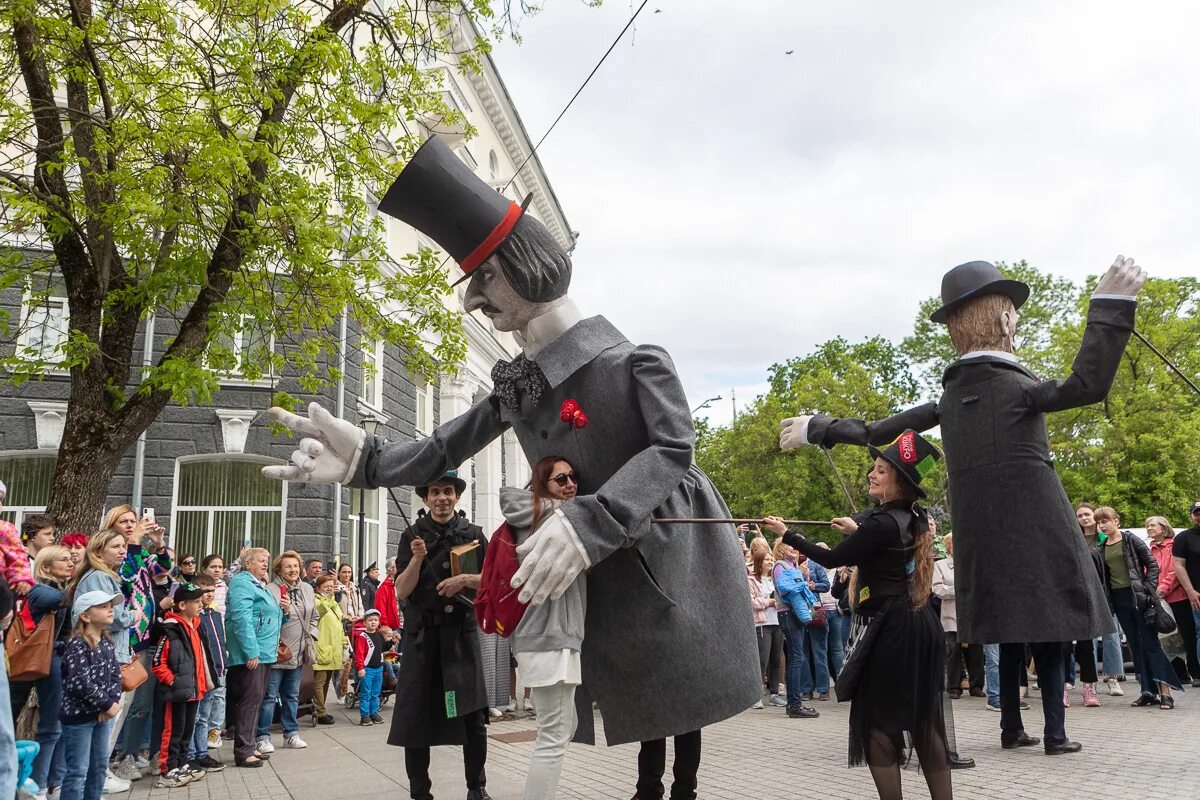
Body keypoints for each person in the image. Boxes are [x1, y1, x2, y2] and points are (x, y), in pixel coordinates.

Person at [261, 136, 760, 798]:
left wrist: (592, 519)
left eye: (485, 279)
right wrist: (368, 462)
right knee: (644, 712)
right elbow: (444, 446)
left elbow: (673, 450)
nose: (474, 302)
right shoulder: (521, 386)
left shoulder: (633, 362)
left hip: (671, 552)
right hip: (598, 570)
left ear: (529, 268)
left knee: (678, 699)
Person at [782, 260, 1149, 757]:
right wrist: (1110, 309)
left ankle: (1011, 727)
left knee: (1009, 633)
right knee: (1050, 635)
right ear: (1003, 322)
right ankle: (1056, 734)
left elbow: (874, 432)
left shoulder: (949, 400)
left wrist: (817, 427)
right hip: (1038, 526)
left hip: (982, 537)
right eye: (1013, 317)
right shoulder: (1020, 388)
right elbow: (1088, 384)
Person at [766, 430, 951, 800]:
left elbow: (834, 559)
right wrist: (858, 528)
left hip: (893, 629)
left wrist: (789, 534)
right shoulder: (913, 516)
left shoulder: (883, 523)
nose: (872, 473)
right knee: (923, 721)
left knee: (878, 724)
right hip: (919, 624)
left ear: (898, 481)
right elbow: (882, 540)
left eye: (881, 470)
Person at [390, 470, 490, 800]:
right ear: (425, 498)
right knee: (415, 719)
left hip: (461, 637)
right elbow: (402, 590)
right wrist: (417, 558)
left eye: (448, 491)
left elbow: (492, 582)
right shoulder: (411, 535)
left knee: (472, 717)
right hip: (423, 641)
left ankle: (476, 788)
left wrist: (465, 581)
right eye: (435, 492)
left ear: (457, 496)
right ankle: (420, 793)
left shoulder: (474, 534)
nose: (442, 497)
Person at [499, 455, 587, 800]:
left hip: (555, 636)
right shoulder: (551, 518)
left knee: (564, 727)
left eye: (573, 477)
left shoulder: (550, 515)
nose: (571, 485)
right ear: (542, 484)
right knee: (553, 734)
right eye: (561, 480)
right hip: (546, 635)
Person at [104, 504, 171, 780]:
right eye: (125, 521)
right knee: (127, 702)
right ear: (112, 524)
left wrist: (159, 544)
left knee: (142, 702)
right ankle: (121, 757)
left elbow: (163, 569)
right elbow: (128, 576)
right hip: (126, 639)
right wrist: (132, 543)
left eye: (134, 521)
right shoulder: (113, 552)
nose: (132, 525)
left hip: (145, 637)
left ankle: (134, 753)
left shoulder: (137, 551)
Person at [67, 530, 134, 793]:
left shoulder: (108, 577)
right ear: (97, 551)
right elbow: (82, 682)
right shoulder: (97, 577)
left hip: (113, 652)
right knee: (81, 765)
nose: (122, 551)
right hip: (83, 713)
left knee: (98, 751)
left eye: (124, 546)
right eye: (116, 546)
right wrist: (132, 616)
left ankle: (100, 776)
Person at [1095, 507, 1180, 709]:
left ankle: (1166, 692)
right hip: (1119, 600)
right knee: (1136, 645)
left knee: (1150, 643)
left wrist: (1147, 589)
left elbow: (1152, 565)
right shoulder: (1102, 547)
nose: (1102, 525)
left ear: (1116, 521)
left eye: (1105, 520)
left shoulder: (1131, 540)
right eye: (1099, 522)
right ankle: (1147, 691)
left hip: (1138, 597)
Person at [58, 590, 123, 800]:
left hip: (101, 716)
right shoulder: (77, 645)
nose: (110, 609)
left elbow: (115, 675)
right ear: (85, 616)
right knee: (77, 771)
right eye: (103, 607)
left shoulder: (106, 642)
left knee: (99, 766)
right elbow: (80, 683)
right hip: (79, 718)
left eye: (110, 605)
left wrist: (111, 701)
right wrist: (106, 704)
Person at [19, 545, 73, 797]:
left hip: (59, 660)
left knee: (61, 723)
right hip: (47, 660)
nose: (70, 562)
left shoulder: (58, 590)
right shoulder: (41, 591)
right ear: (46, 567)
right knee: (51, 725)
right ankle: (39, 785)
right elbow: (62, 601)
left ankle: (56, 781)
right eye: (64, 559)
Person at [150, 581, 214, 787]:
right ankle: (168, 769)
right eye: (195, 601)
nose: (200, 604)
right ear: (182, 605)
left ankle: (183, 763)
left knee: (187, 730)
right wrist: (173, 681)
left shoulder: (196, 626)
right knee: (173, 732)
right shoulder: (171, 629)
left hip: (194, 689)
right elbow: (158, 663)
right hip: (177, 690)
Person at [224, 547, 283, 768]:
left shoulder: (260, 585)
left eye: (266, 560)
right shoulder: (242, 583)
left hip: (264, 652)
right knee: (249, 702)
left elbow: (269, 617)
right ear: (248, 564)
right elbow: (241, 619)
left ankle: (248, 746)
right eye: (261, 560)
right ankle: (243, 751)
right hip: (252, 654)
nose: (265, 564)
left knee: (255, 701)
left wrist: (283, 613)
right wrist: (251, 651)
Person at [257, 550, 317, 753]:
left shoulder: (308, 588)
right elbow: (266, 619)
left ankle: (291, 733)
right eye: (288, 566)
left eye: (295, 566)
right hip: (278, 651)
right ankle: (262, 736)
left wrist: (312, 637)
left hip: (299, 651)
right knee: (269, 695)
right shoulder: (271, 589)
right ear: (279, 570)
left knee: (292, 695)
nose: (293, 570)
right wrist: (285, 610)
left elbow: (314, 615)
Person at [1077, 502, 1125, 693]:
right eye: (1079, 516)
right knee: (1086, 639)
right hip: (1083, 595)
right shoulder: (1075, 538)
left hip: (1106, 594)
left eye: (1087, 514)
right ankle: (1090, 681)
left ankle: (1113, 678)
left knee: (1111, 636)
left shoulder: (1105, 538)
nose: (1083, 518)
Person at [771, 538, 819, 720]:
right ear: (781, 549)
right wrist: (803, 584)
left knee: (797, 657)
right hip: (788, 613)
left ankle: (794, 703)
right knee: (797, 657)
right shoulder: (779, 566)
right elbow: (783, 588)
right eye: (791, 546)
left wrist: (805, 579)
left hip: (794, 614)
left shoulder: (794, 567)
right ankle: (795, 705)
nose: (795, 549)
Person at [1149, 514, 1199, 687]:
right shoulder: (1151, 548)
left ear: (1163, 528)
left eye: (1152, 525)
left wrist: (1163, 589)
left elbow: (1174, 571)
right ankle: (1180, 673)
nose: (1149, 528)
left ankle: (1195, 671)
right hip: (1160, 599)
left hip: (1178, 597)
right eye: (1147, 525)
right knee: (1169, 636)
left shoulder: (1173, 544)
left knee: (1188, 635)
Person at [932, 534, 984, 700]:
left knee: (976, 650)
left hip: (971, 615)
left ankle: (976, 686)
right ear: (949, 546)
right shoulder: (940, 565)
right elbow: (937, 589)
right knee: (953, 650)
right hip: (951, 616)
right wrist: (958, 591)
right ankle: (954, 687)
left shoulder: (972, 564)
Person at [188, 574, 226, 774]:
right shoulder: (194, 618)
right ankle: (191, 754)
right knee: (195, 717)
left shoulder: (215, 614)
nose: (209, 594)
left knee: (204, 716)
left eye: (212, 590)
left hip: (216, 671)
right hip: (200, 674)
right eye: (205, 591)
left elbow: (219, 644)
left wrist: (222, 665)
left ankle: (202, 753)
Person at [748, 539, 785, 708]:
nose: (771, 562)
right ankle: (755, 695)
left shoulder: (776, 579)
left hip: (778, 622)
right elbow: (750, 601)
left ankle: (775, 693)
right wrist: (768, 602)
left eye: (772, 559)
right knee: (762, 659)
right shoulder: (751, 580)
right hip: (762, 624)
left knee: (776, 659)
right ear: (759, 562)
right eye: (768, 559)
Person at [797, 551, 832, 701]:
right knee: (802, 653)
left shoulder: (815, 564)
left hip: (815, 611)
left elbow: (826, 585)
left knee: (819, 651)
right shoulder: (789, 567)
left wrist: (813, 585)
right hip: (798, 612)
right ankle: (806, 689)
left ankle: (823, 689)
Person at [312, 574, 346, 725]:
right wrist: (326, 597)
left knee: (326, 682)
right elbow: (319, 611)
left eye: (331, 586)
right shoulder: (316, 601)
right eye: (326, 586)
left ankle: (321, 709)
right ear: (318, 588)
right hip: (322, 647)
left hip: (334, 647)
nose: (329, 589)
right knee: (319, 682)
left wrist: (344, 641)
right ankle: (319, 712)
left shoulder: (334, 603)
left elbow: (339, 624)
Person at [1173, 502, 1200, 687]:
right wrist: (1190, 591)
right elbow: (1178, 566)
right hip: (1197, 594)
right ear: (1192, 516)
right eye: (1197, 513)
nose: (1199, 516)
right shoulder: (1184, 537)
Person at [354, 608, 386, 725]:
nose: (373, 622)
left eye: (376, 620)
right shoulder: (362, 636)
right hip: (367, 669)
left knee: (376, 693)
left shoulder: (379, 635)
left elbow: (383, 649)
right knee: (366, 694)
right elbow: (359, 654)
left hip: (379, 668)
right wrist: (360, 668)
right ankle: (365, 716)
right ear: (364, 623)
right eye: (370, 620)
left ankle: (374, 713)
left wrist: (392, 642)